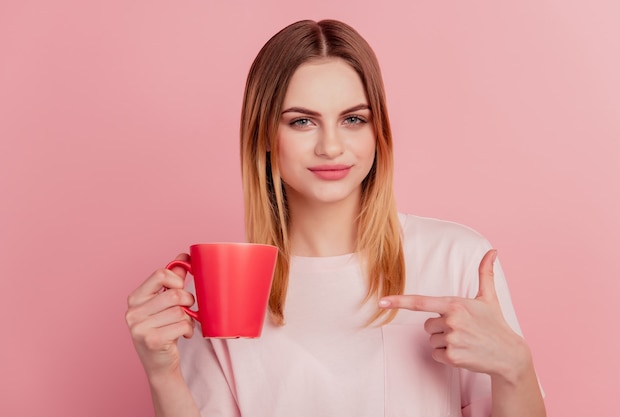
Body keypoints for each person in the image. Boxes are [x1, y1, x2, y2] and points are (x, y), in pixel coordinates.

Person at [125, 19, 546, 417]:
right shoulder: (222, 290)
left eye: (353, 119)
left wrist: (516, 366)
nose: (331, 146)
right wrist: (163, 374)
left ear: (377, 131)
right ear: (265, 136)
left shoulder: (455, 258)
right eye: (303, 121)